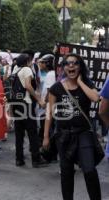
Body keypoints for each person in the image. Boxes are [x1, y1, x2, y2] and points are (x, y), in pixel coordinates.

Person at [43, 53, 101, 200]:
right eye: (68, 63)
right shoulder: (56, 88)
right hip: (63, 136)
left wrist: (80, 82)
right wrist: (45, 137)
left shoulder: (87, 84)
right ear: (63, 68)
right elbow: (49, 113)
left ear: (80, 67)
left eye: (75, 63)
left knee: (89, 170)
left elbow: (96, 98)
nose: (71, 66)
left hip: (83, 134)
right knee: (66, 173)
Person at [10, 54, 47, 167]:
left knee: (19, 133)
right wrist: (39, 100)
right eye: (30, 61)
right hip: (26, 104)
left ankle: (19, 159)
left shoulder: (16, 70)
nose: (32, 62)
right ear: (27, 61)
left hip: (16, 104)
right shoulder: (26, 69)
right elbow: (28, 85)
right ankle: (36, 159)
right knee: (32, 133)